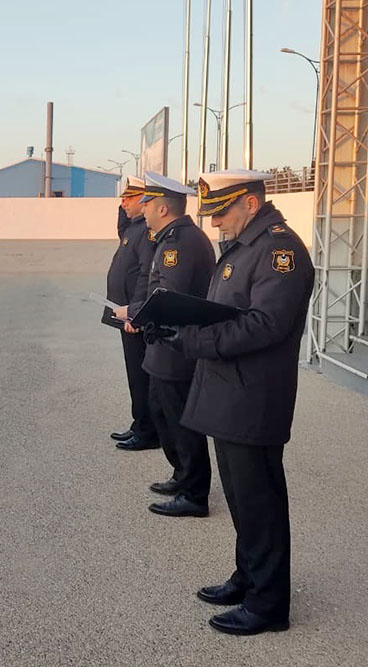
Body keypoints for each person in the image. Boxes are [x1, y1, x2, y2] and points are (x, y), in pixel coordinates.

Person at [173, 169, 314, 635]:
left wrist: (196, 341)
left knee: (260, 501)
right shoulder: (244, 246)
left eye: (222, 212)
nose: (215, 223)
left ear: (250, 204)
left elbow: (265, 325)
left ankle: (268, 605)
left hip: (254, 397)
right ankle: (249, 576)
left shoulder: (279, 250)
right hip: (229, 392)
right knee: (240, 497)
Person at [116, 172, 215, 517]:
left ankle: (194, 493)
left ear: (161, 207)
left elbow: (167, 297)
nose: (142, 209)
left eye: (147, 204)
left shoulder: (179, 243)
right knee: (162, 410)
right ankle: (182, 475)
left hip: (177, 346)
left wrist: (136, 313)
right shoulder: (172, 237)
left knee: (180, 418)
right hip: (166, 345)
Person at [105, 176, 159, 451]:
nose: (123, 203)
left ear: (144, 200)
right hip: (126, 313)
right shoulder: (134, 228)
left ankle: (148, 431)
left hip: (134, 317)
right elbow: (121, 227)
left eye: (128, 198)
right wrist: (122, 208)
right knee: (134, 374)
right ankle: (140, 424)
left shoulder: (146, 233)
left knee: (141, 376)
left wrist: (136, 313)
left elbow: (145, 276)